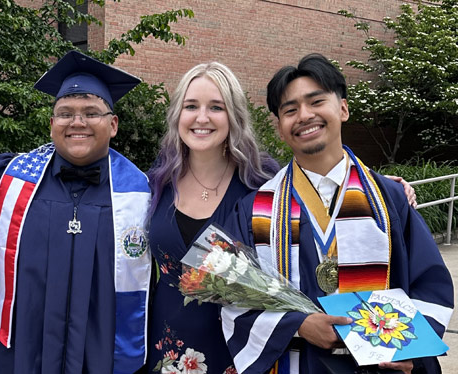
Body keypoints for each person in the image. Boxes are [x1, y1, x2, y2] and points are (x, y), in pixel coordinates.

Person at [225, 53, 454, 374]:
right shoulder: (254, 210)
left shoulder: (389, 199)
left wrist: (410, 351)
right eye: (290, 110)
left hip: (378, 366)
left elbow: (429, 283)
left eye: (316, 101)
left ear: (343, 108)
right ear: (280, 128)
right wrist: (299, 324)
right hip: (297, 363)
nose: (304, 115)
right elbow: (233, 297)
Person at [0, 50, 152, 373]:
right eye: (66, 113)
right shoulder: (6, 178)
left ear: (114, 125)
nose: (77, 122)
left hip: (103, 356)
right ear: (52, 124)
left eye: (91, 112)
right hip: (21, 355)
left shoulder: (145, 195)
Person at [144, 62, 279, 373]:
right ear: (178, 114)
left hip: (237, 351)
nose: (201, 118)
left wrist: (388, 188)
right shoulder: (157, 182)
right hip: (165, 348)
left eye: (216, 107)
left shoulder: (262, 183)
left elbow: (320, 197)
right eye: (191, 106)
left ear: (233, 116)